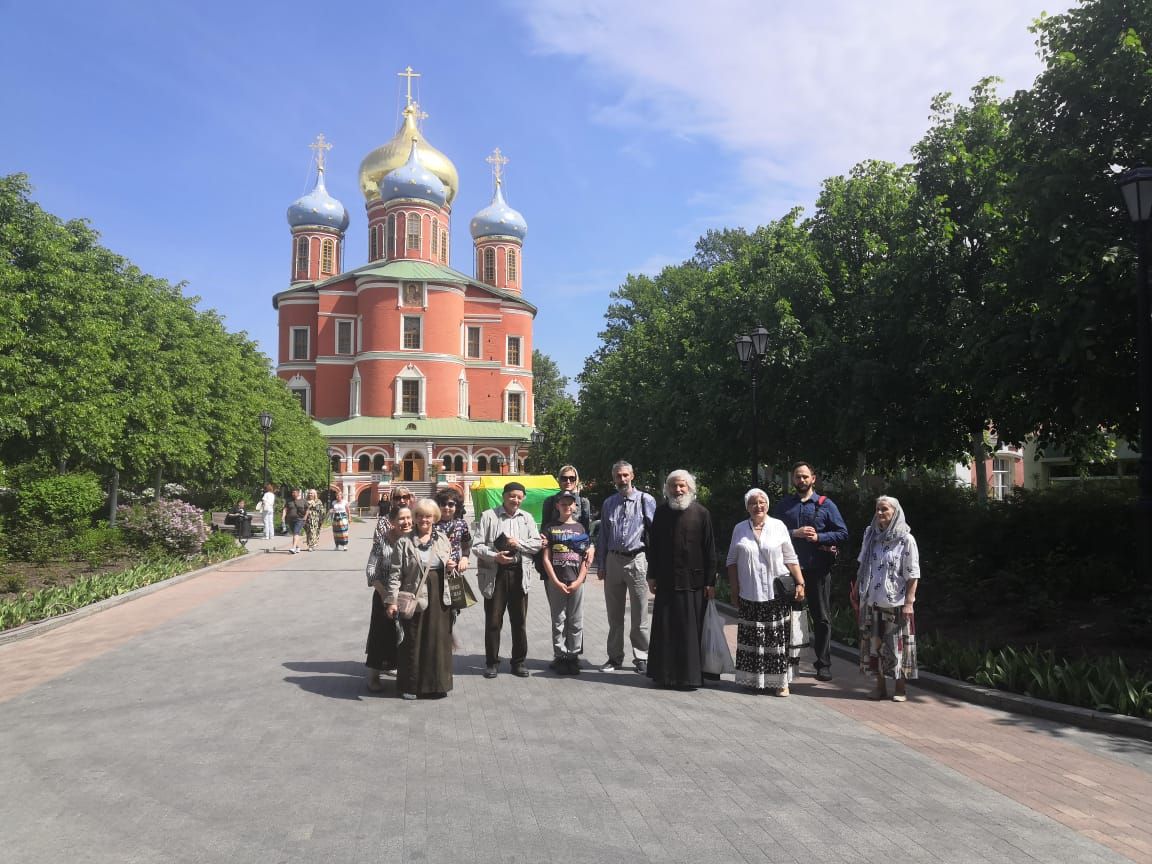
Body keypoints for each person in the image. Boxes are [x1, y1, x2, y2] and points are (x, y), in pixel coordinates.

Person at [772, 462, 849, 681]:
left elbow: (843, 534)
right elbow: (771, 531)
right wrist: (794, 532)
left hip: (817, 569)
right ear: (793, 479)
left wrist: (820, 537)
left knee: (821, 617)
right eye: (798, 477)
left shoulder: (827, 505)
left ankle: (823, 664)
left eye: (805, 476)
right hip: (789, 570)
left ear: (813, 478)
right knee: (786, 618)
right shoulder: (784, 505)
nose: (801, 480)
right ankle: (786, 662)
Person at [726, 489, 805, 696]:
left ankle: (781, 683)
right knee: (752, 638)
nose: (758, 506)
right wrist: (734, 589)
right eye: (753, 503)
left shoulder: (778, 526)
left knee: (776, 640)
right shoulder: (740, 529)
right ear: (747, 507)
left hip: (775, 594)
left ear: (767, 504)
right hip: (749, 593)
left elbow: (790, 557)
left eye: (762, 502)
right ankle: (754, 680)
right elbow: (731, 561)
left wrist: (800, 582)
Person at [645, 469, 717, 690]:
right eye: (674, 486)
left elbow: (710, 549)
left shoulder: (702, 513)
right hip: (666, 581)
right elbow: (654, 546)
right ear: (667, 489)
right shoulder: (661, 512)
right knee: (665, 629)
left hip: (693, 583)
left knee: (689, 631)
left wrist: (710, 582)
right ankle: (664, 676)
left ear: (690, 488)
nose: (678, 490)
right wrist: (652, 575)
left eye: (682, 486)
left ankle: (690, 677)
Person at [384, 499, 455, 700]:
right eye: (420, 516)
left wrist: (451, 565)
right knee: (412, 640)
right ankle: (411, 686)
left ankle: (436, 685)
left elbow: (449, 563)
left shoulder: (442, 539)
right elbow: (395, 574)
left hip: (439, 593)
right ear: (415, 518)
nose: (424, 519)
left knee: (438, 640)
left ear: (434, 518)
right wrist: (391, 601)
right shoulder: (403, 542)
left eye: (428, 516)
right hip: (413, 594)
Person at [593, 460, 657, 674]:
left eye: (625, 475)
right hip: (613, 559)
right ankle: (614, 657)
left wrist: (655, 568)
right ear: (613, 478)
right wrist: (601, 564)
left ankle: (641, 656)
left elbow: (655, 533)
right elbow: (603, 536)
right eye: (618, 476)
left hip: (637, 559)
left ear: (632, 475)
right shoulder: (608, 503)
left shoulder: (645, 500)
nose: (622, 479)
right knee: (614, 614)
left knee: (639, 613)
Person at [855, 496, 920, 702]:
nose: (880, 513)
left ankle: (900, 688)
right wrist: (857, 590)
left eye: (884, 509)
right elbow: (862, 564)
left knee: (896, 645)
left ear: (895, 512)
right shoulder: (871, 536)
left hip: (896, 601)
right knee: (875, 646)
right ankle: (880, 687)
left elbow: (913, 573)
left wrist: (910, 602)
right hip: (872, 599)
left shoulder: (906, 539)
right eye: (877, 509)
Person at [473, 481, 541, 679]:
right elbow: (477, 546)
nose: (516, 500)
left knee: (519, 621)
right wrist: (495, 556)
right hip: (496, 574)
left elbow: (536, 544)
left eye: (519, 497)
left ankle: (519, 662)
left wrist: (517, 543)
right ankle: (491, 662)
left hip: (519, 573)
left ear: (524, 498)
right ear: (504, 496)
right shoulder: (489, 516)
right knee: (493, 621)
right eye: (512, 496)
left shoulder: (527, 518)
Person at [540, 489, 591, 675]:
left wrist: (579, 580)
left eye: (570, 503)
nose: (567, 506)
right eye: (563, 503)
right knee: (558, 619)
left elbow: (586, 558)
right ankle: (560, 655)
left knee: (576, 620)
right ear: (557, 506)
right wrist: (554, 580)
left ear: (575, 506)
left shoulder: (580, 528)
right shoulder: (550, 528)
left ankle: (573, 655)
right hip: (557, 580)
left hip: (576, 579)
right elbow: (546, 557)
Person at [364, 504, 411, 690]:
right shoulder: (382, 540)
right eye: (401, 518)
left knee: (406, 636)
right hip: (384, 595)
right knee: (380, 635)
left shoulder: (415, 540)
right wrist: (386, 596)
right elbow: (370, 570)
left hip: (408, 598)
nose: (406, 522)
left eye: (409, 518)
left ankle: (404, 673)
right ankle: (373, 676)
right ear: (392, 522)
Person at [281, 488, 308, 554]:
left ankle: (293, 548)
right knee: (295, 534)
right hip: (291, 519)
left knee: (296, 533)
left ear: (298, 493)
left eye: (295, 492)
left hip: (300, 519)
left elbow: (307, 509)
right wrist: (283, 516)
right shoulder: (289, 501)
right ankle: (297, 547)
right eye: (292, 492)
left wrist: (305, 517)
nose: (293, 494)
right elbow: (285, 509)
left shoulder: (303, 501)